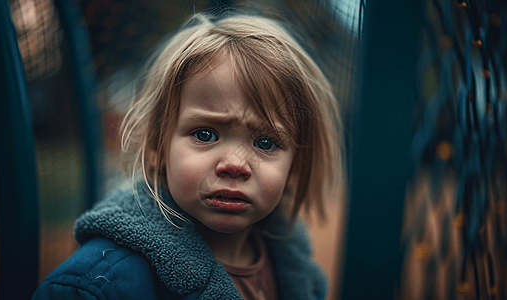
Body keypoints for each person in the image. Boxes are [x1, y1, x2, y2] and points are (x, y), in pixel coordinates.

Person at [32, 11, 343, 300]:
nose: (234, 164)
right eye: (205, 134)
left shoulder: (293, 267)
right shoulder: (98, 284)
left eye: (265, 143)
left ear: (296, 164)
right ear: (156, 148)